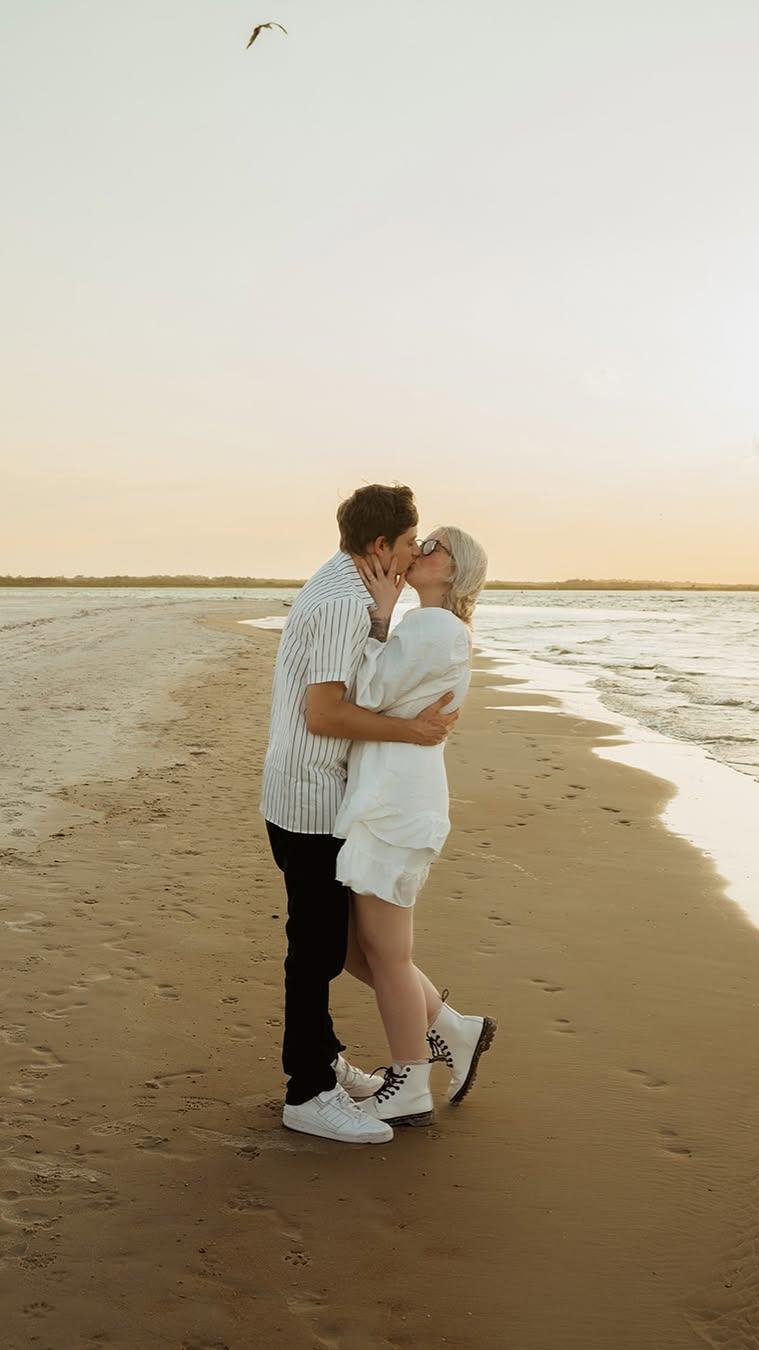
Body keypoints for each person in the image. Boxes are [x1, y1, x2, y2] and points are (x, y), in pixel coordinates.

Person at [261, 484, 459, 1144]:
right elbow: (325, 713)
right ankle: (308, 1093)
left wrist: (385, 615)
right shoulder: (347, 599)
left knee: (323, 942)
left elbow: (352, 679)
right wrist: (415, 733)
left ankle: (324, 1062)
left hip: (302, 793)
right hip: (310, 799)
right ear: (381, 546)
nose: (413, 554)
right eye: (409, 544)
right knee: (314, 951)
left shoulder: (343, 580)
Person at [333, 526, 497, 1127]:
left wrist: (379, 615)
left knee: (387, 953)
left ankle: (408, 1081)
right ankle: (455, 1028)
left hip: (395, 805)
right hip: (394, 799)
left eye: (435, 549)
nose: (419, 552)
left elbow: (367, 691)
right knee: (360, 947)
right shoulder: (434, 627)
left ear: (456, 573)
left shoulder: (433, 626)